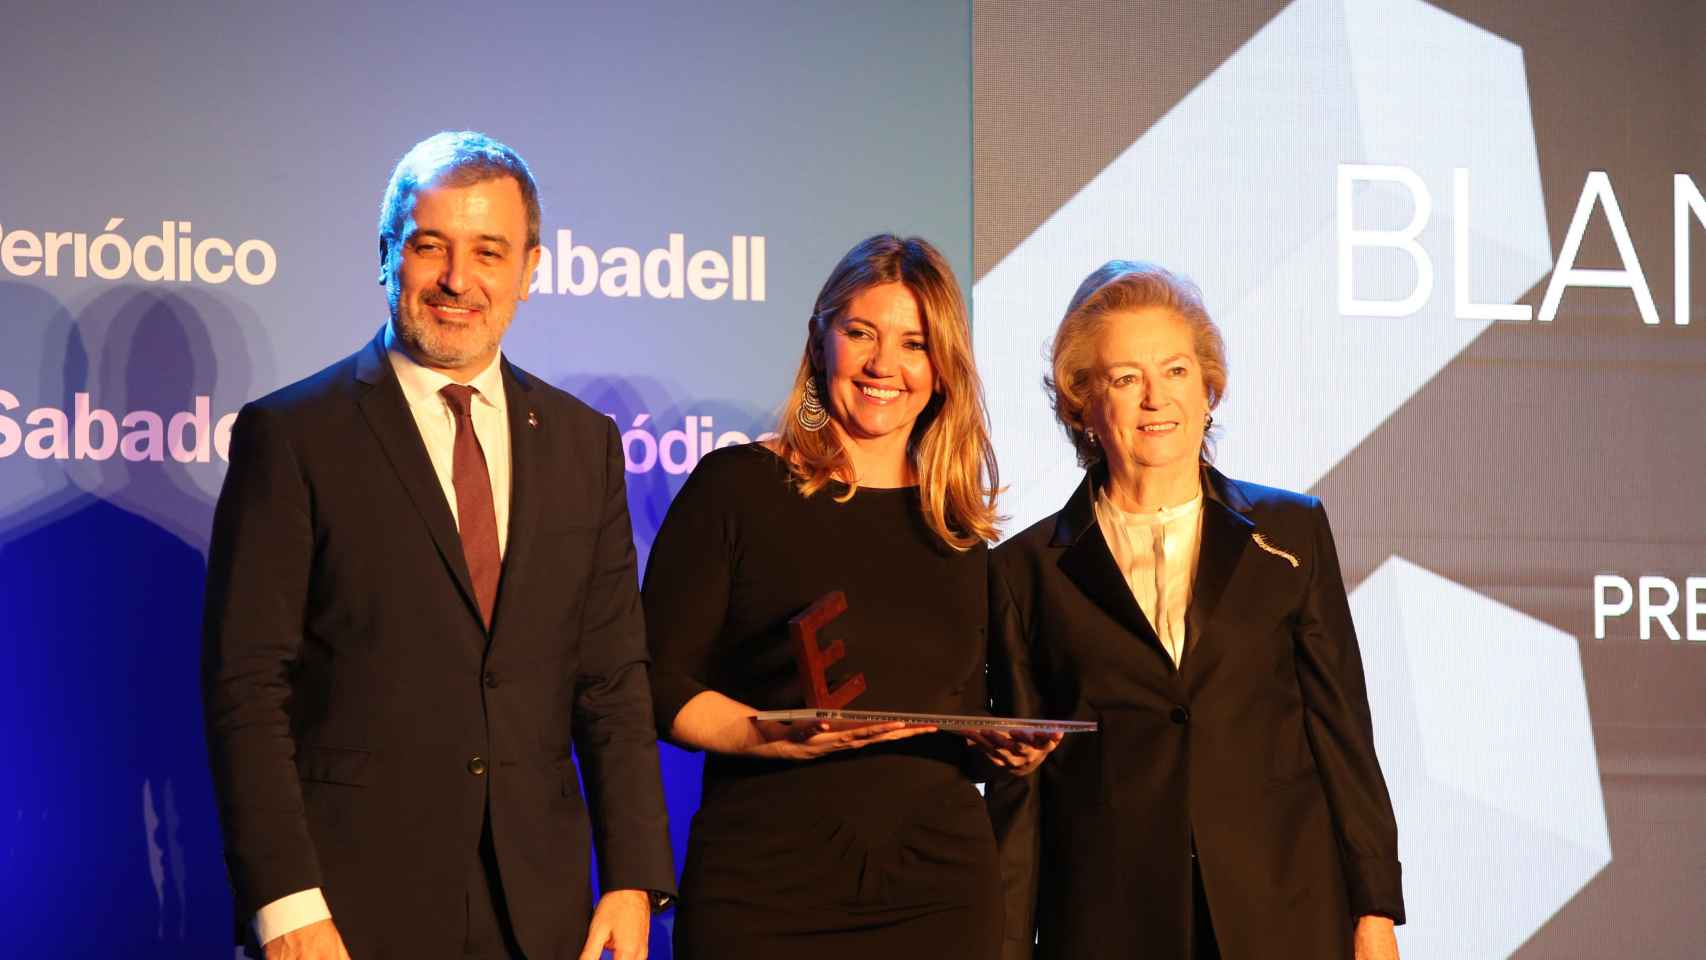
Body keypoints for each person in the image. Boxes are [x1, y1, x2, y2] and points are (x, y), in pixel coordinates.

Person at [201, 131, 675, 960]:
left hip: (539, 912)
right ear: (387, 256)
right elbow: (247, 685)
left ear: (530, 269)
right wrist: (285, 905)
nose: (459, 280)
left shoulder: (582, 442)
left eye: (489, 251)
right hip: (345, 914)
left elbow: (611, 681)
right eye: (431, 247)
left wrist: (632, 878)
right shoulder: (295, 435)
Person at [985, 261, 1405, 960]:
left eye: (1176, 371)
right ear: (1083, 404)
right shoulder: (1025, 571)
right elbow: (1022, 793)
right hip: (1108, 925)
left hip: (1285, 915)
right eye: (1125, 378)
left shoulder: (1291, 534)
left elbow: (1342, 737)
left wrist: (1375, 913)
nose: (1156, 398)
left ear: (1209, 388)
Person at [643, 234, 1045, 959]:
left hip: (938, 891)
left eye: (914, 343)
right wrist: (765, 734)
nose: (884, 365)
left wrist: (1003, 749)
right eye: (860, 332)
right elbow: (653, 681)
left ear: (942, 368)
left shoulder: (957, 526)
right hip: (767, 885)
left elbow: (952, 714)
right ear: (821, 340)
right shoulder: (735, 488)